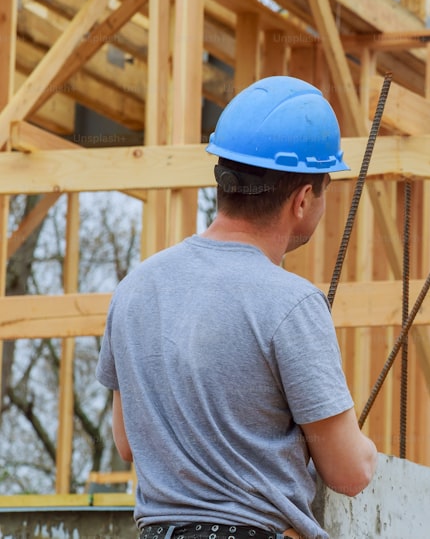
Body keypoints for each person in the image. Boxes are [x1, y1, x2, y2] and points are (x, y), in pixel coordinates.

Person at [97, 76, 378, 539]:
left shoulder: (135, 289)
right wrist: (358, 446)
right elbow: (350, 473)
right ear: (304, 199)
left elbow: (127, 443)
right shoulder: (290, 302)